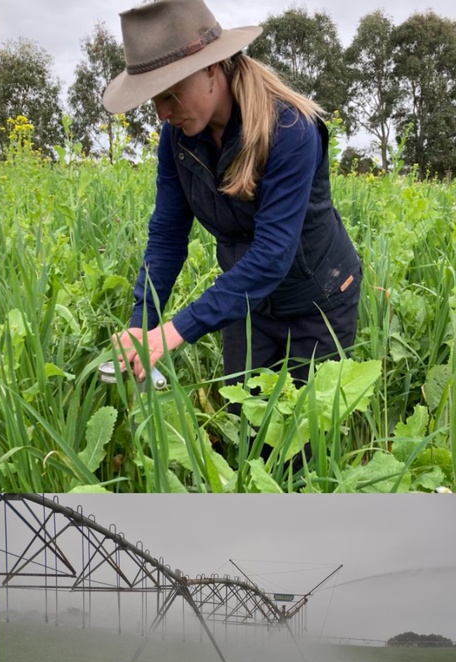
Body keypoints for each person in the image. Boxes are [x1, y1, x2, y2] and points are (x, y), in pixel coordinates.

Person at [104, 0, 362, 385]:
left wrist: (176, 331)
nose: (161, 113)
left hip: (319, 304)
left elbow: (273, 254)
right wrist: (144, 323)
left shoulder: (291, 130)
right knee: (242, 428)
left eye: (171, 93)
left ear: (211, 67)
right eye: (153, 99)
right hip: (247, 305)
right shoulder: (178, 140)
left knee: (307, 438)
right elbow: (168, 235)